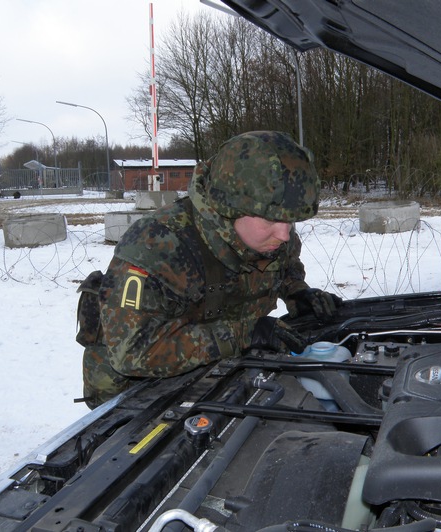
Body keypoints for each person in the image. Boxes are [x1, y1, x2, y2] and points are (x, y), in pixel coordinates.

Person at [79, 130, 340, 408]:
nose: (285, 234)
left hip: (221, 375)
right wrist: (244, 334)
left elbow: (285, 266)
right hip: (139, 398)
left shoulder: (272, 233)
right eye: (273, 220)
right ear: (228, 208)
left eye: (291, 221)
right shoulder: (156, 245)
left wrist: (297, 292)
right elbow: (132, 351)